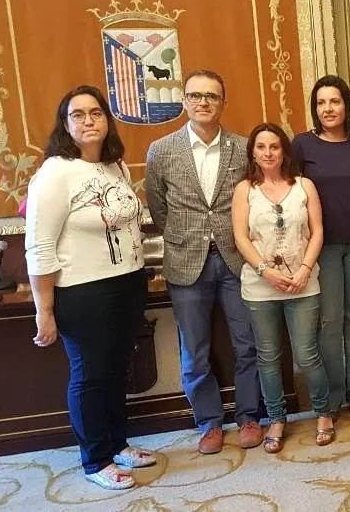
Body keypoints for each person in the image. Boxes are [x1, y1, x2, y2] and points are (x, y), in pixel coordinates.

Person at [25, 85, 156, 489]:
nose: (88, 121)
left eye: (95, 113)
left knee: (117, 370)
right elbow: (39, 244)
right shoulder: (54, 172)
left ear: (107, 119)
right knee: (90, 375)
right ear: (65, 124)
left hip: (127, 283)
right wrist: (43, 308)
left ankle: (118, 443)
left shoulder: (114, 166)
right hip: (83, 292)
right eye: (77, 114)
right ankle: (96, 459)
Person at [145, 70, 262, 454]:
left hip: (235, 260)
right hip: (185, 264)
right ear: (184, 101)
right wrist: (185, 237)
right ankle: (209, 423)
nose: (203, 102)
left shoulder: (243, 148)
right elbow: (158, 206)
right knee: (194, 350)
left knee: (247, 344)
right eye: (195, 95)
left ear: (223, 102)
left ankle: (248, 416)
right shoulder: (161, 151)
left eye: (211, 96)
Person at [232, 122, 333, 449]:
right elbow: (240, 237)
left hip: (303, 283)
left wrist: (305, 268)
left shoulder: (305, 186)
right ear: (253, 152)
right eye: (260, 147)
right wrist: (264, 270)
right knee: (268, 356)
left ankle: (323, 412)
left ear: (284, 150)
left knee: (306, 353)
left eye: (274, 146)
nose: (267, 153)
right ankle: (276, 419)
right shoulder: (244, 189)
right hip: (261, 287)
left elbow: (317, 232)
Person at [293, 76, 350, 423]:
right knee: (329, 321)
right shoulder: (301, 145)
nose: (328, 109)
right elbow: (287, 192)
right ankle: (334, 395)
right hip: (320, 246)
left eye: (335, 101)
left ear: (346, 105)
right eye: (321, 103)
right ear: (315, 108)